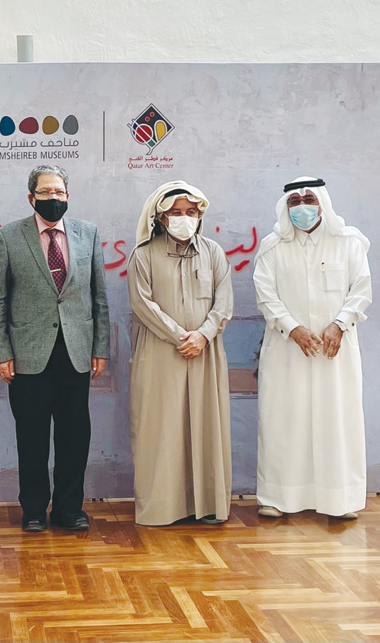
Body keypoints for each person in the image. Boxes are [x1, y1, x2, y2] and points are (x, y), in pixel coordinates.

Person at [0, 165, 110, 532]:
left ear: (68, 196)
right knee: (32, 436)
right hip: (28, 355)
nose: (53, 198)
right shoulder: (8, 237)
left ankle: (70, 509)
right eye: (45, 193)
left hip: (76, 351)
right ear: (31, 197)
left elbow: (98, 296)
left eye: (59, 192)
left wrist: (100, 346)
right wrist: (1, 352)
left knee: (75, 435)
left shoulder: (88, 234)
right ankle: (35, 509)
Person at [252, 176, 372, 520]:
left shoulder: (347, 242)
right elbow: (266, 295)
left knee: (337, 419)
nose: (302, 207)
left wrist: (339, 324)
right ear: (285, 207)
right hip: (288, 347)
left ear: (322, 203)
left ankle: (341, 498)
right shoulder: (274, 246)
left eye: (309, 199)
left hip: (336, 348)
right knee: (283, 419)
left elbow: (361, 289)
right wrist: (294, 329)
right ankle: (277, 497)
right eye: (294, 202)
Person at [127, 181, 234, 526]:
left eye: (190, 213)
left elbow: (224, 301)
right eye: (176, 213)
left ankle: (208, 506)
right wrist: (179, 337)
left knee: (207, 427)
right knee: (161, 431)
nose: (184, 219)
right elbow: (142, 304)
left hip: (205, 353)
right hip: (160, 353)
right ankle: (163, 508)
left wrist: (202, 335)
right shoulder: (143, 254)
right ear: (160, 217)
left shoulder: (214, 252)